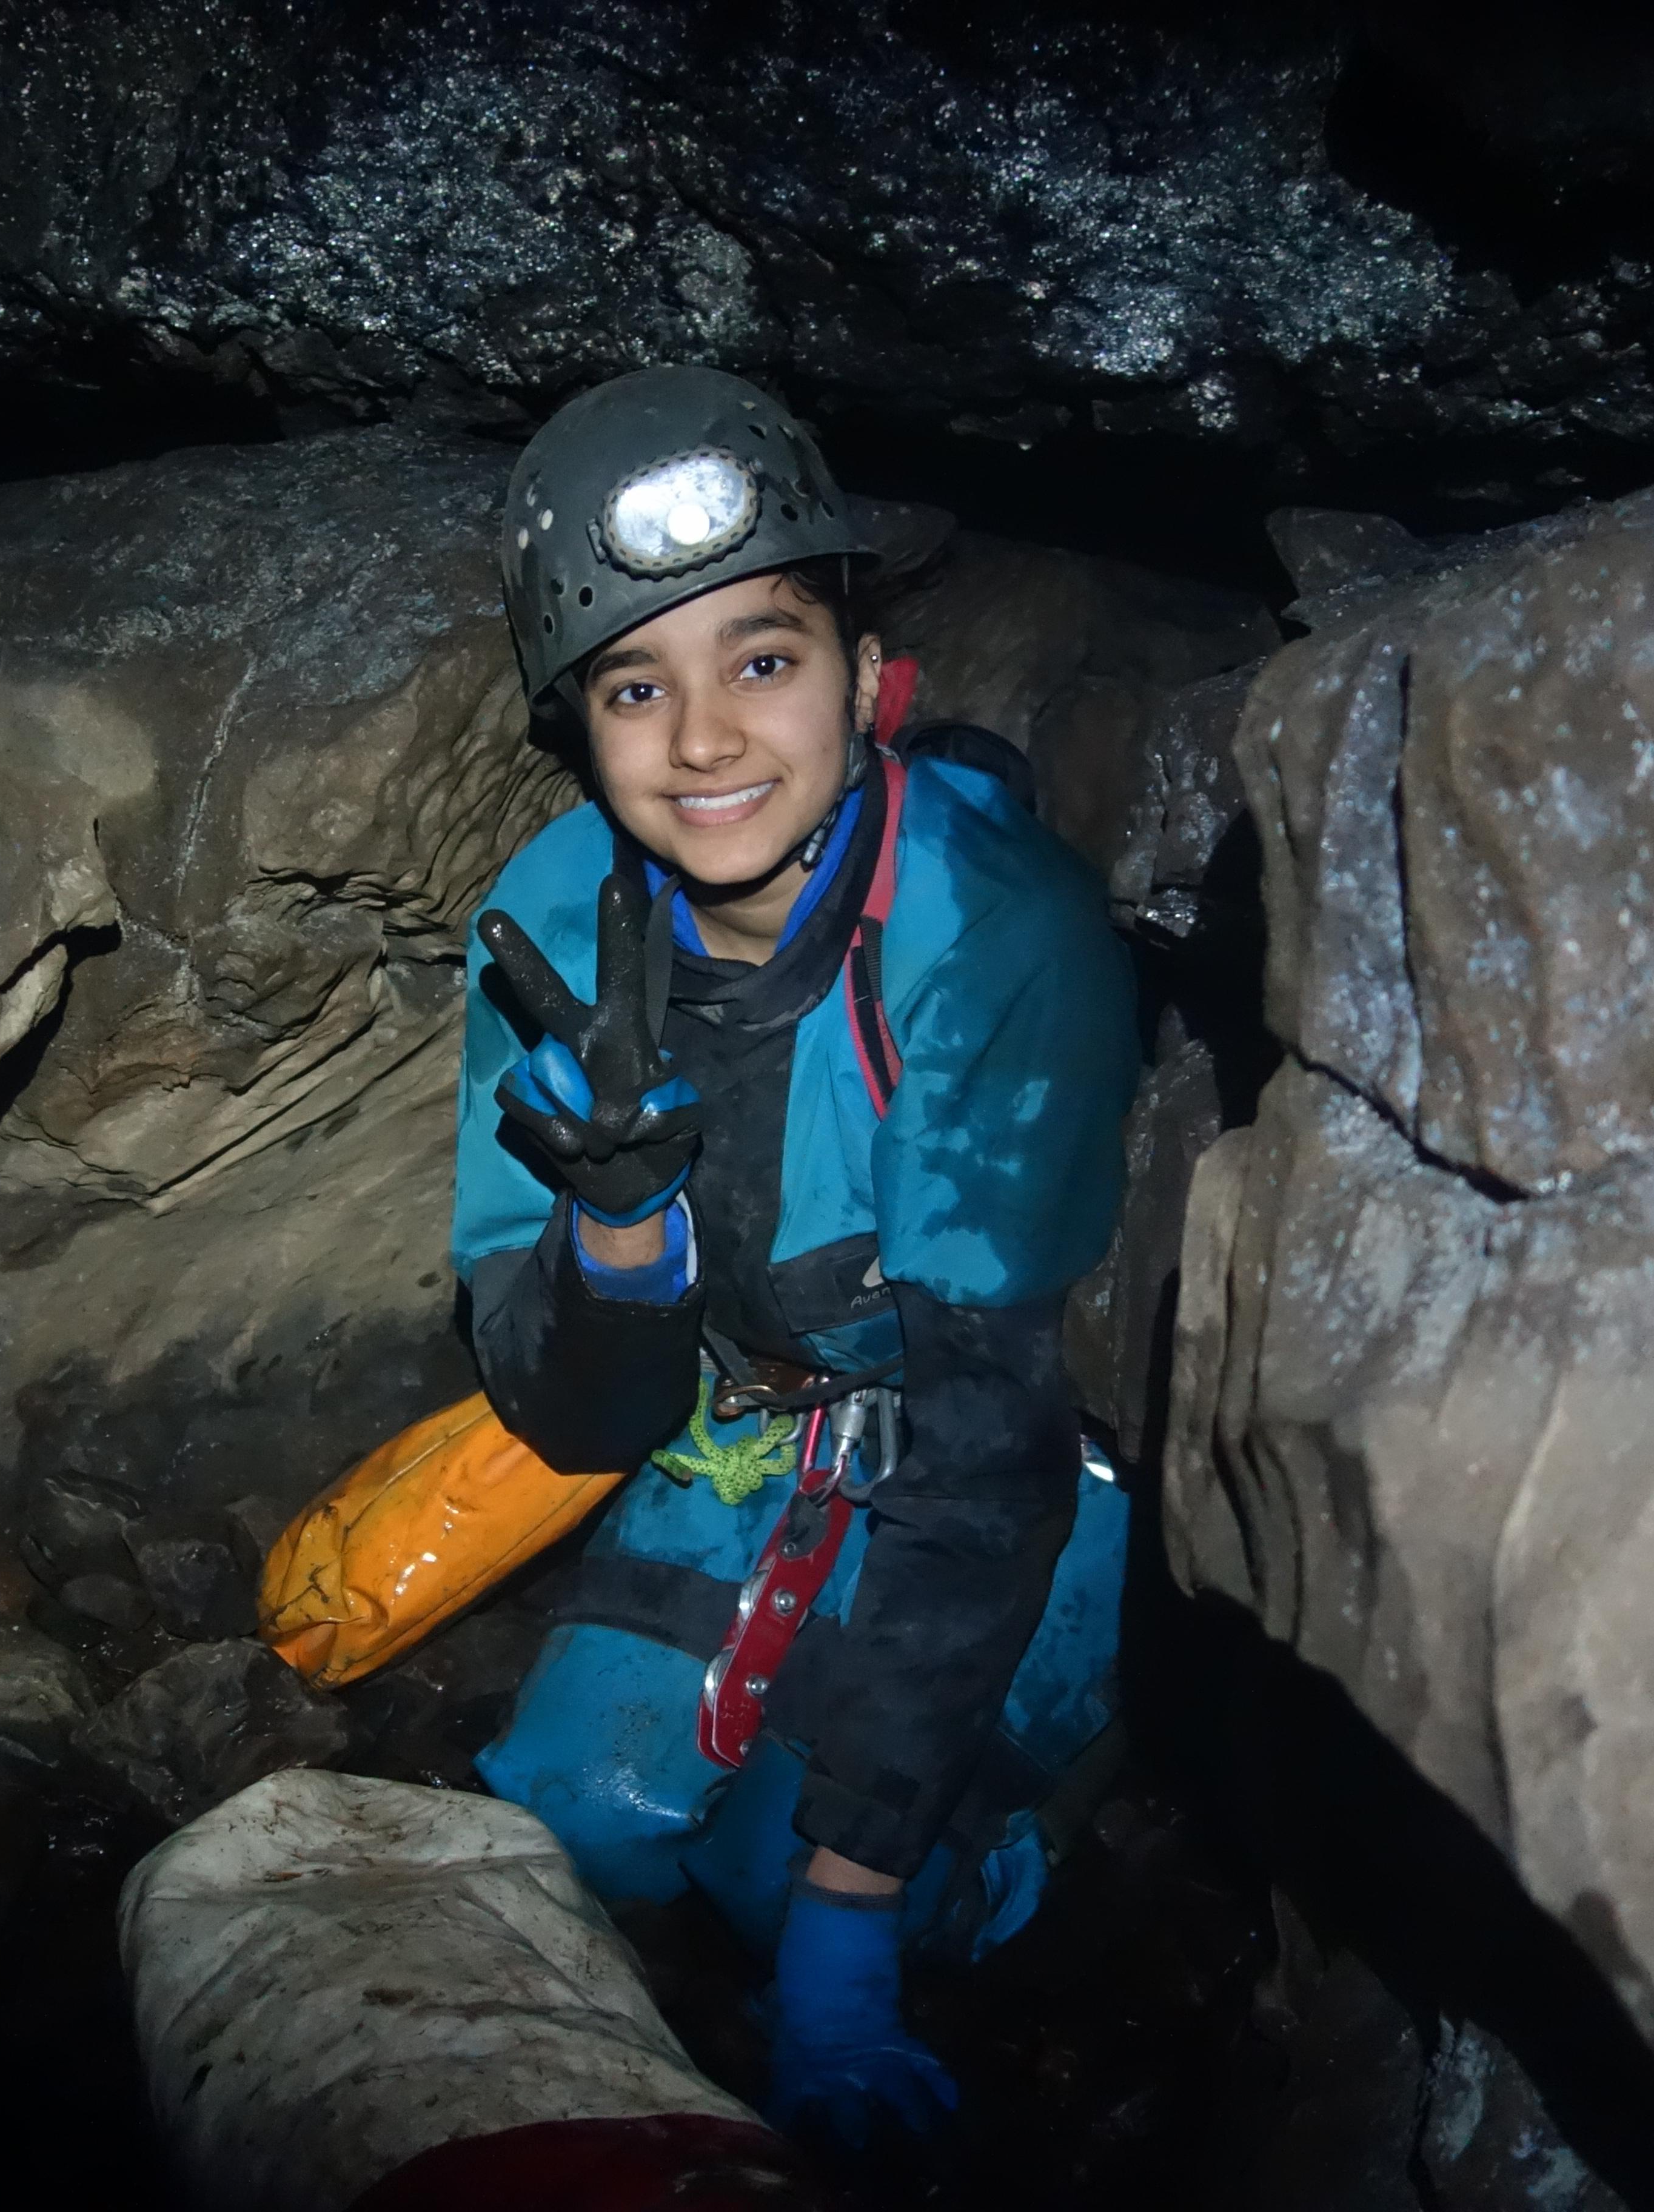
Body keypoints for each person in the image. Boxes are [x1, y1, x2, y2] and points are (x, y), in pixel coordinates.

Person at [454, 364, 1142, 2146]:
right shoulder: (546, 933)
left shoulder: (996, 932)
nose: (704, 741)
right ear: (578, 729)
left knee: (808, 1891)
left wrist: (850, 1913)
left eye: (762, 659)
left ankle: (1064, 1801)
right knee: (574, 1831)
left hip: (1013, 1454)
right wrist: (615, 1223)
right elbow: (579, 1418)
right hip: (749, 1418)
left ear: (865, 670)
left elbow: (985, 1455)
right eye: (635, 686)